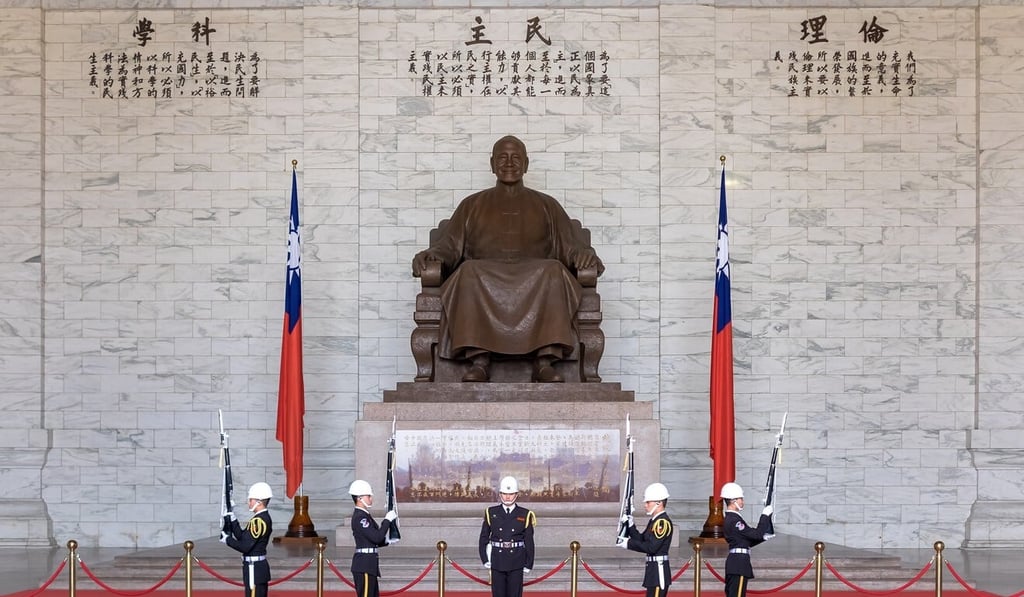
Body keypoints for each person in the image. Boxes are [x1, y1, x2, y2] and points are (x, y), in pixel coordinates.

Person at [412, 135, 603, 383]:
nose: (509, 163)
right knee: (468, 271)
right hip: (483, 276)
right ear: (492, 164)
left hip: (536, 276)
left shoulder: (547, 205)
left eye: (516, 158)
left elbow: (570, 246)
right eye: (502, 157)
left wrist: (585, 255)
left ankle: (544, 361)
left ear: (526, 164)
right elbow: (449, 245)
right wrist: (432, 254)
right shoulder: (472, 205)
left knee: (554, 270)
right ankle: (479, 359)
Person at [479, 476, 536, 597]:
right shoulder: (491, 512)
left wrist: (529, 563)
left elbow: (529, 541)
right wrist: (484, 558)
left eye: (511, 494)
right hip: (497, 560)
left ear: (516, 494)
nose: (507, 497)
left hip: (516, 560)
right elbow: (483, 538)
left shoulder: (525, 514)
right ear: (500, 494)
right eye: (504, 494)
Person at [618, 482, 674, 597]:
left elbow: (651, 547)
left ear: (658, 503)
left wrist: (628, 543)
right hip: (653, 571)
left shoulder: (662, 523)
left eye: (648, 502)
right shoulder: (654, 521)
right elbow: (642, 539)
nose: (645, 505)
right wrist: (630, 525)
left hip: (658, 572)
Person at [721, 482, 774, 597]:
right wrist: (765, 515)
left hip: (736, 563)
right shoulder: (735, 521)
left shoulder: (731, 518)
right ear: (733, 500)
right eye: (740, 498)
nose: (742, 501)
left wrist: (763, 538)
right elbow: (756, 534)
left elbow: (745, 540)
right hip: (739, 564)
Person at [221, 481, 273, 597]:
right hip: (254, 568)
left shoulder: (259, 521)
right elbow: (242, 536)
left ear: (259, 502)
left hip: (254, 569)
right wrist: (232, 518)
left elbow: (245, 546)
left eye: (251, 500)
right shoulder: (259, 519)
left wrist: (227, 540)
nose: (248, 502)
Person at [349, 479, 398, 597]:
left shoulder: (364, 515)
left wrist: (387, 541)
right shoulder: (360, 518)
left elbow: (373, 539)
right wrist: (387, 520)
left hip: (369, 564)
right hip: (364, 565)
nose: (371, 498)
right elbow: (376, 537)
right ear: (359, 498)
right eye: (368, 496)